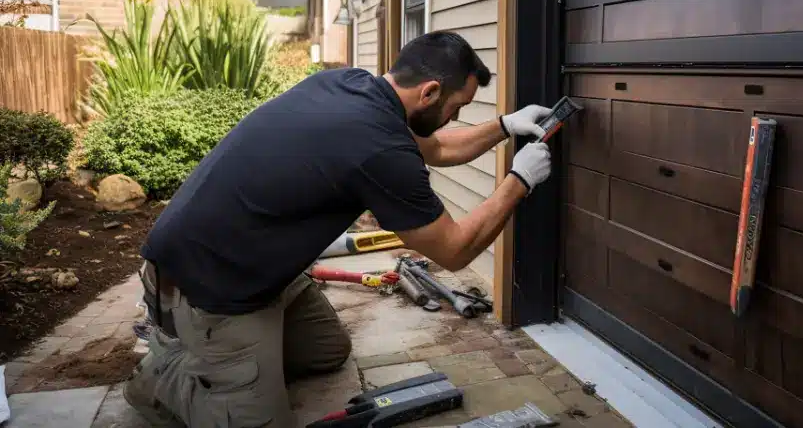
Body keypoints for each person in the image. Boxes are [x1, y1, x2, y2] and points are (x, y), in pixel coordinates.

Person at [124, 30, 554, 427]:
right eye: (456, 108)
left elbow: (437, 148)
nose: (453, 118)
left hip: (253, 265)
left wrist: (505, 126)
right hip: (209, 287)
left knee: (327, 351)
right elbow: (454, 250)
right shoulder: (380, 146)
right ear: (430, 92)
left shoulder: (346, 84)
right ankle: (165, 376)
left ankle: (237, 370)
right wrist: (519, 182)